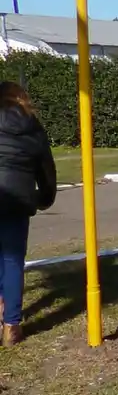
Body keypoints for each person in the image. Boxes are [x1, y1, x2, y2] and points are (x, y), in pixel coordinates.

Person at [0, 81, 56, 345]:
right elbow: (46, 166)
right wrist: (46, 197)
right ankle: (11, 325)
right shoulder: (32, 126)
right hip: (18, 200)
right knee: (12, 261)